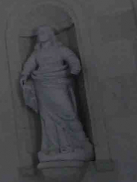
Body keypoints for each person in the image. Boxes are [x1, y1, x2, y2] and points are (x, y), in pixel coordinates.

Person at [20, 26, 93, 162]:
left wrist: (74, 69)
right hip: (41, 85)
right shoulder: (37, 53)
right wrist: (24, 75)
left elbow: (73, 60)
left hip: (58, 83)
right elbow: (29, 65)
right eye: (38, 33)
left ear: (49, 34)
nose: (39, 35)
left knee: (68, 112)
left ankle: (80, 142)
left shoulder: (60, 49)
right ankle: (53, 147)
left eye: (42, 32)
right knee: (47, 117)